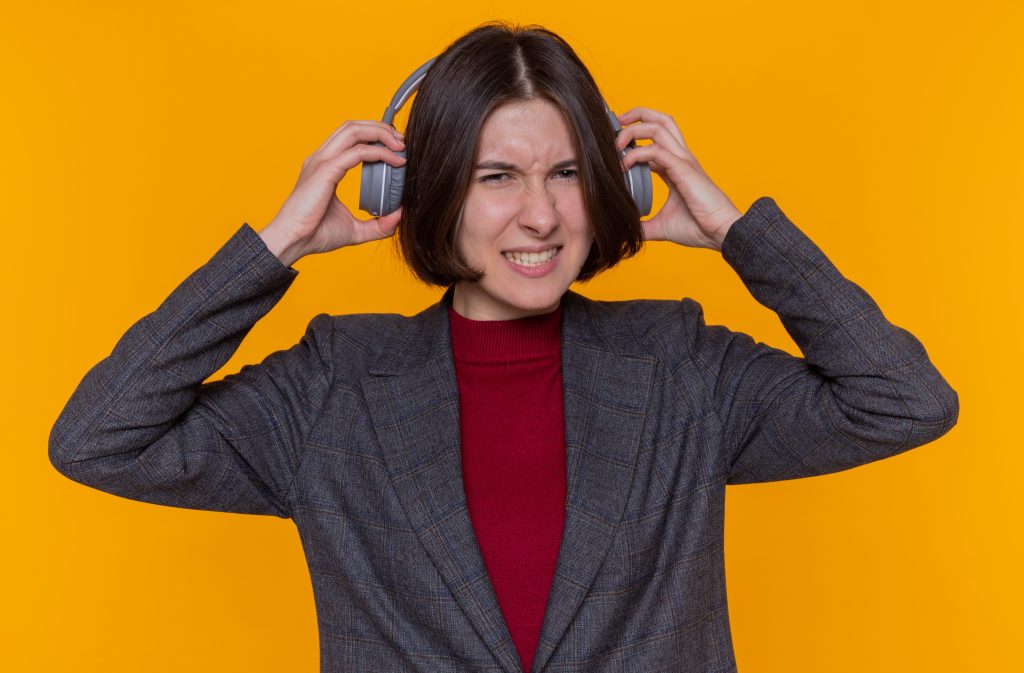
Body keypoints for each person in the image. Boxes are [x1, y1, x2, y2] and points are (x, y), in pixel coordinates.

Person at [49, 20, 959, 673]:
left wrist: (737, 233)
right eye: (497, 177)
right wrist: (273, 246)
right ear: (426, 188)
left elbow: (906, 401)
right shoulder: (334, 386)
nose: (541, 213)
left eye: (567, 173)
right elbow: (97, 437)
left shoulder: (680, 367)